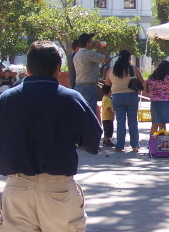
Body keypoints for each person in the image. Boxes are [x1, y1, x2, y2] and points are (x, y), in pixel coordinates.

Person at [0, 40, 102, 230]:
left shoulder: (6, 99)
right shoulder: (71, 98)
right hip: (58, 189)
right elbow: (92, 140)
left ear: (28, 68)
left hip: (17, 188)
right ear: (57, 68)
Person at [105, 50, 144, 153]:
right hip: (131, 95)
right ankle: (135, 145)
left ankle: (119, 145)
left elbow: (107, 83)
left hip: (117, 96)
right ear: (128, 58)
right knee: (132, 121)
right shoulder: (133, 69)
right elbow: (141, 81)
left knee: (120, 121)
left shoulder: (112, 70)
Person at [74, 32, 109, 114]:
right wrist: (100, 47)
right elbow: (106, 59)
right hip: (88, 87)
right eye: (91, 40)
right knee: (90, 113)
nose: (93, 42)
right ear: (87, 42)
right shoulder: (88, 53)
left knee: (81, 112)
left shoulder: (77, 54)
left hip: (79, 86)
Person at [145, 60, 169, 136]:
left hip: (154, 102)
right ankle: (162, 141)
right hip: (165, 102)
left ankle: (152, 141)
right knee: (162, 124)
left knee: (154, 123)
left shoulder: (151, 78)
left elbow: (147, 90)